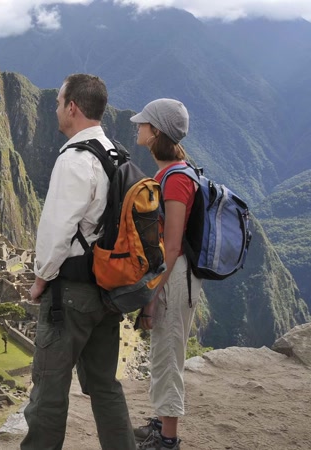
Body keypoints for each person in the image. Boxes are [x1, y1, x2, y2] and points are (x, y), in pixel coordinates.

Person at [21, 73, 136, 450]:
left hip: (70, 295)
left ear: (72, 107)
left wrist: (41, 279)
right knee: (105, 385)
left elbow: (57, 230)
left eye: (58, 103)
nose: (55, 109)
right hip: (108, 289)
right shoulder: (116, 153)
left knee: (49, 390)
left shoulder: (76, 158)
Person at [130, 99, 199, 450]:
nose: (138, 126)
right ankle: (160, 424)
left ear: (156, 131)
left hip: (173, 276)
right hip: (171, 273)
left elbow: (170, 246)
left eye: (143, 123)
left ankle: (167, 440)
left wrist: (151, 298)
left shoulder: (175, 181)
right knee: (162, 350)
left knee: (169, 354)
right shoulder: (172, 173)